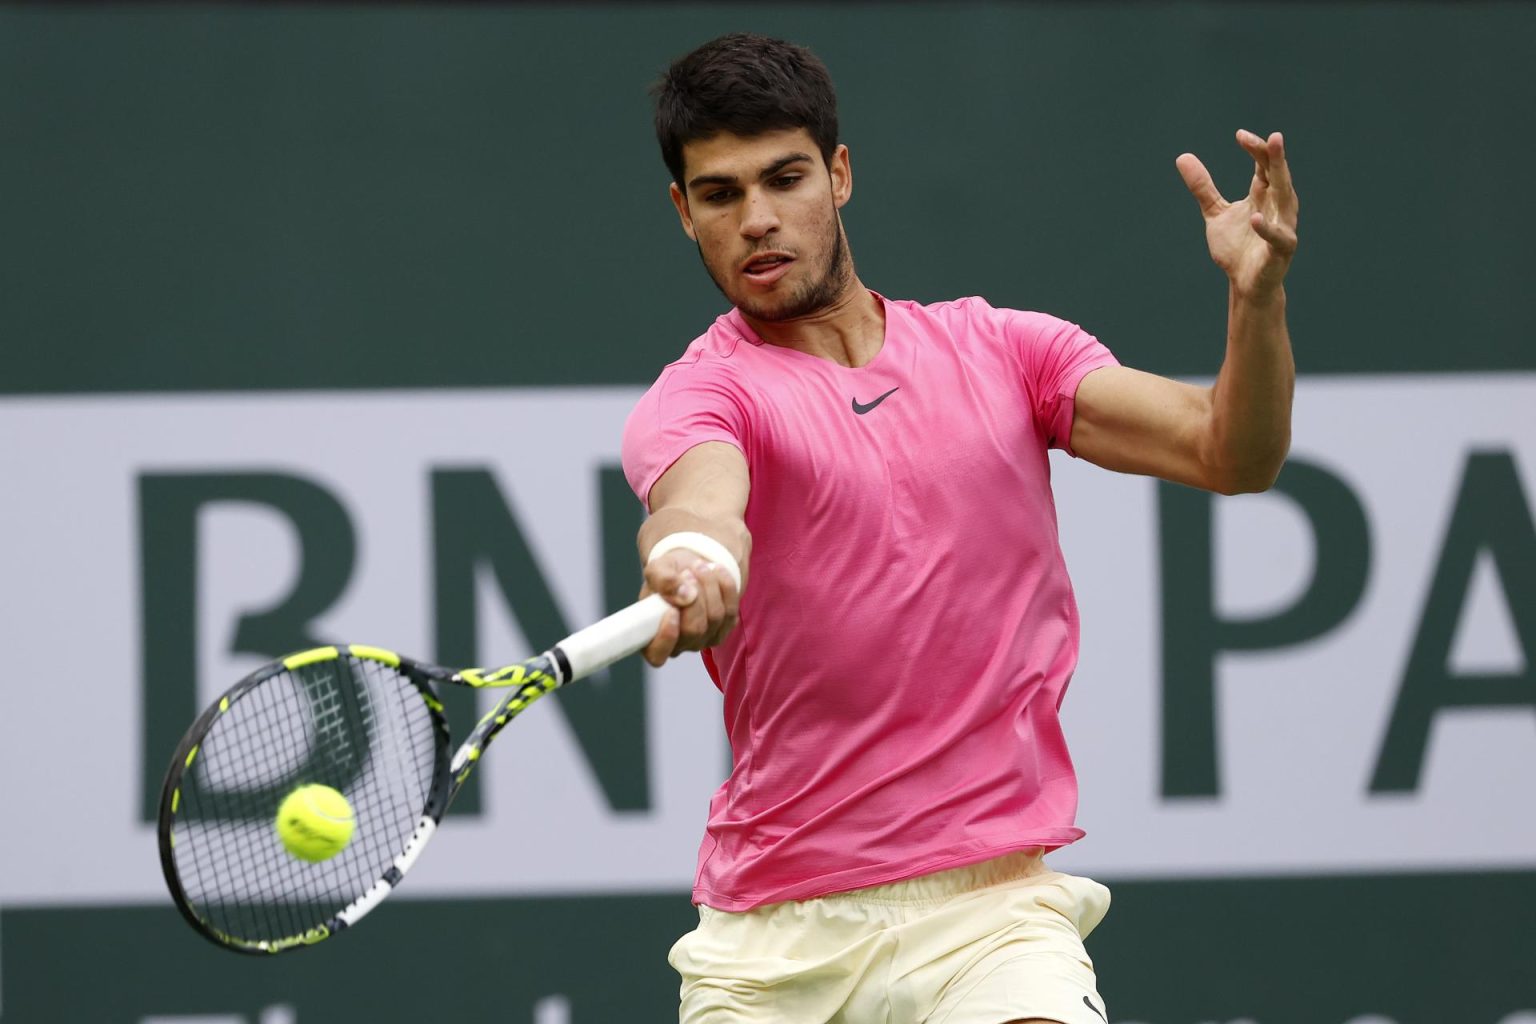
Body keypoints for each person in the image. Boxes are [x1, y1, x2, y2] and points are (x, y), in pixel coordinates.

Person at [621, 32, 1296, 1024]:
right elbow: (697, 505)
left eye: (786, 177)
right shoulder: (701, 398)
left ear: (839, 175)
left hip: (992, 916)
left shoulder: (1006, 350)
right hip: (775, 943)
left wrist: (1258, 298)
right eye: (720, 194)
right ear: (684, 213)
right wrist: (690, 555)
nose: (759, 219)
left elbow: (1229, 453)